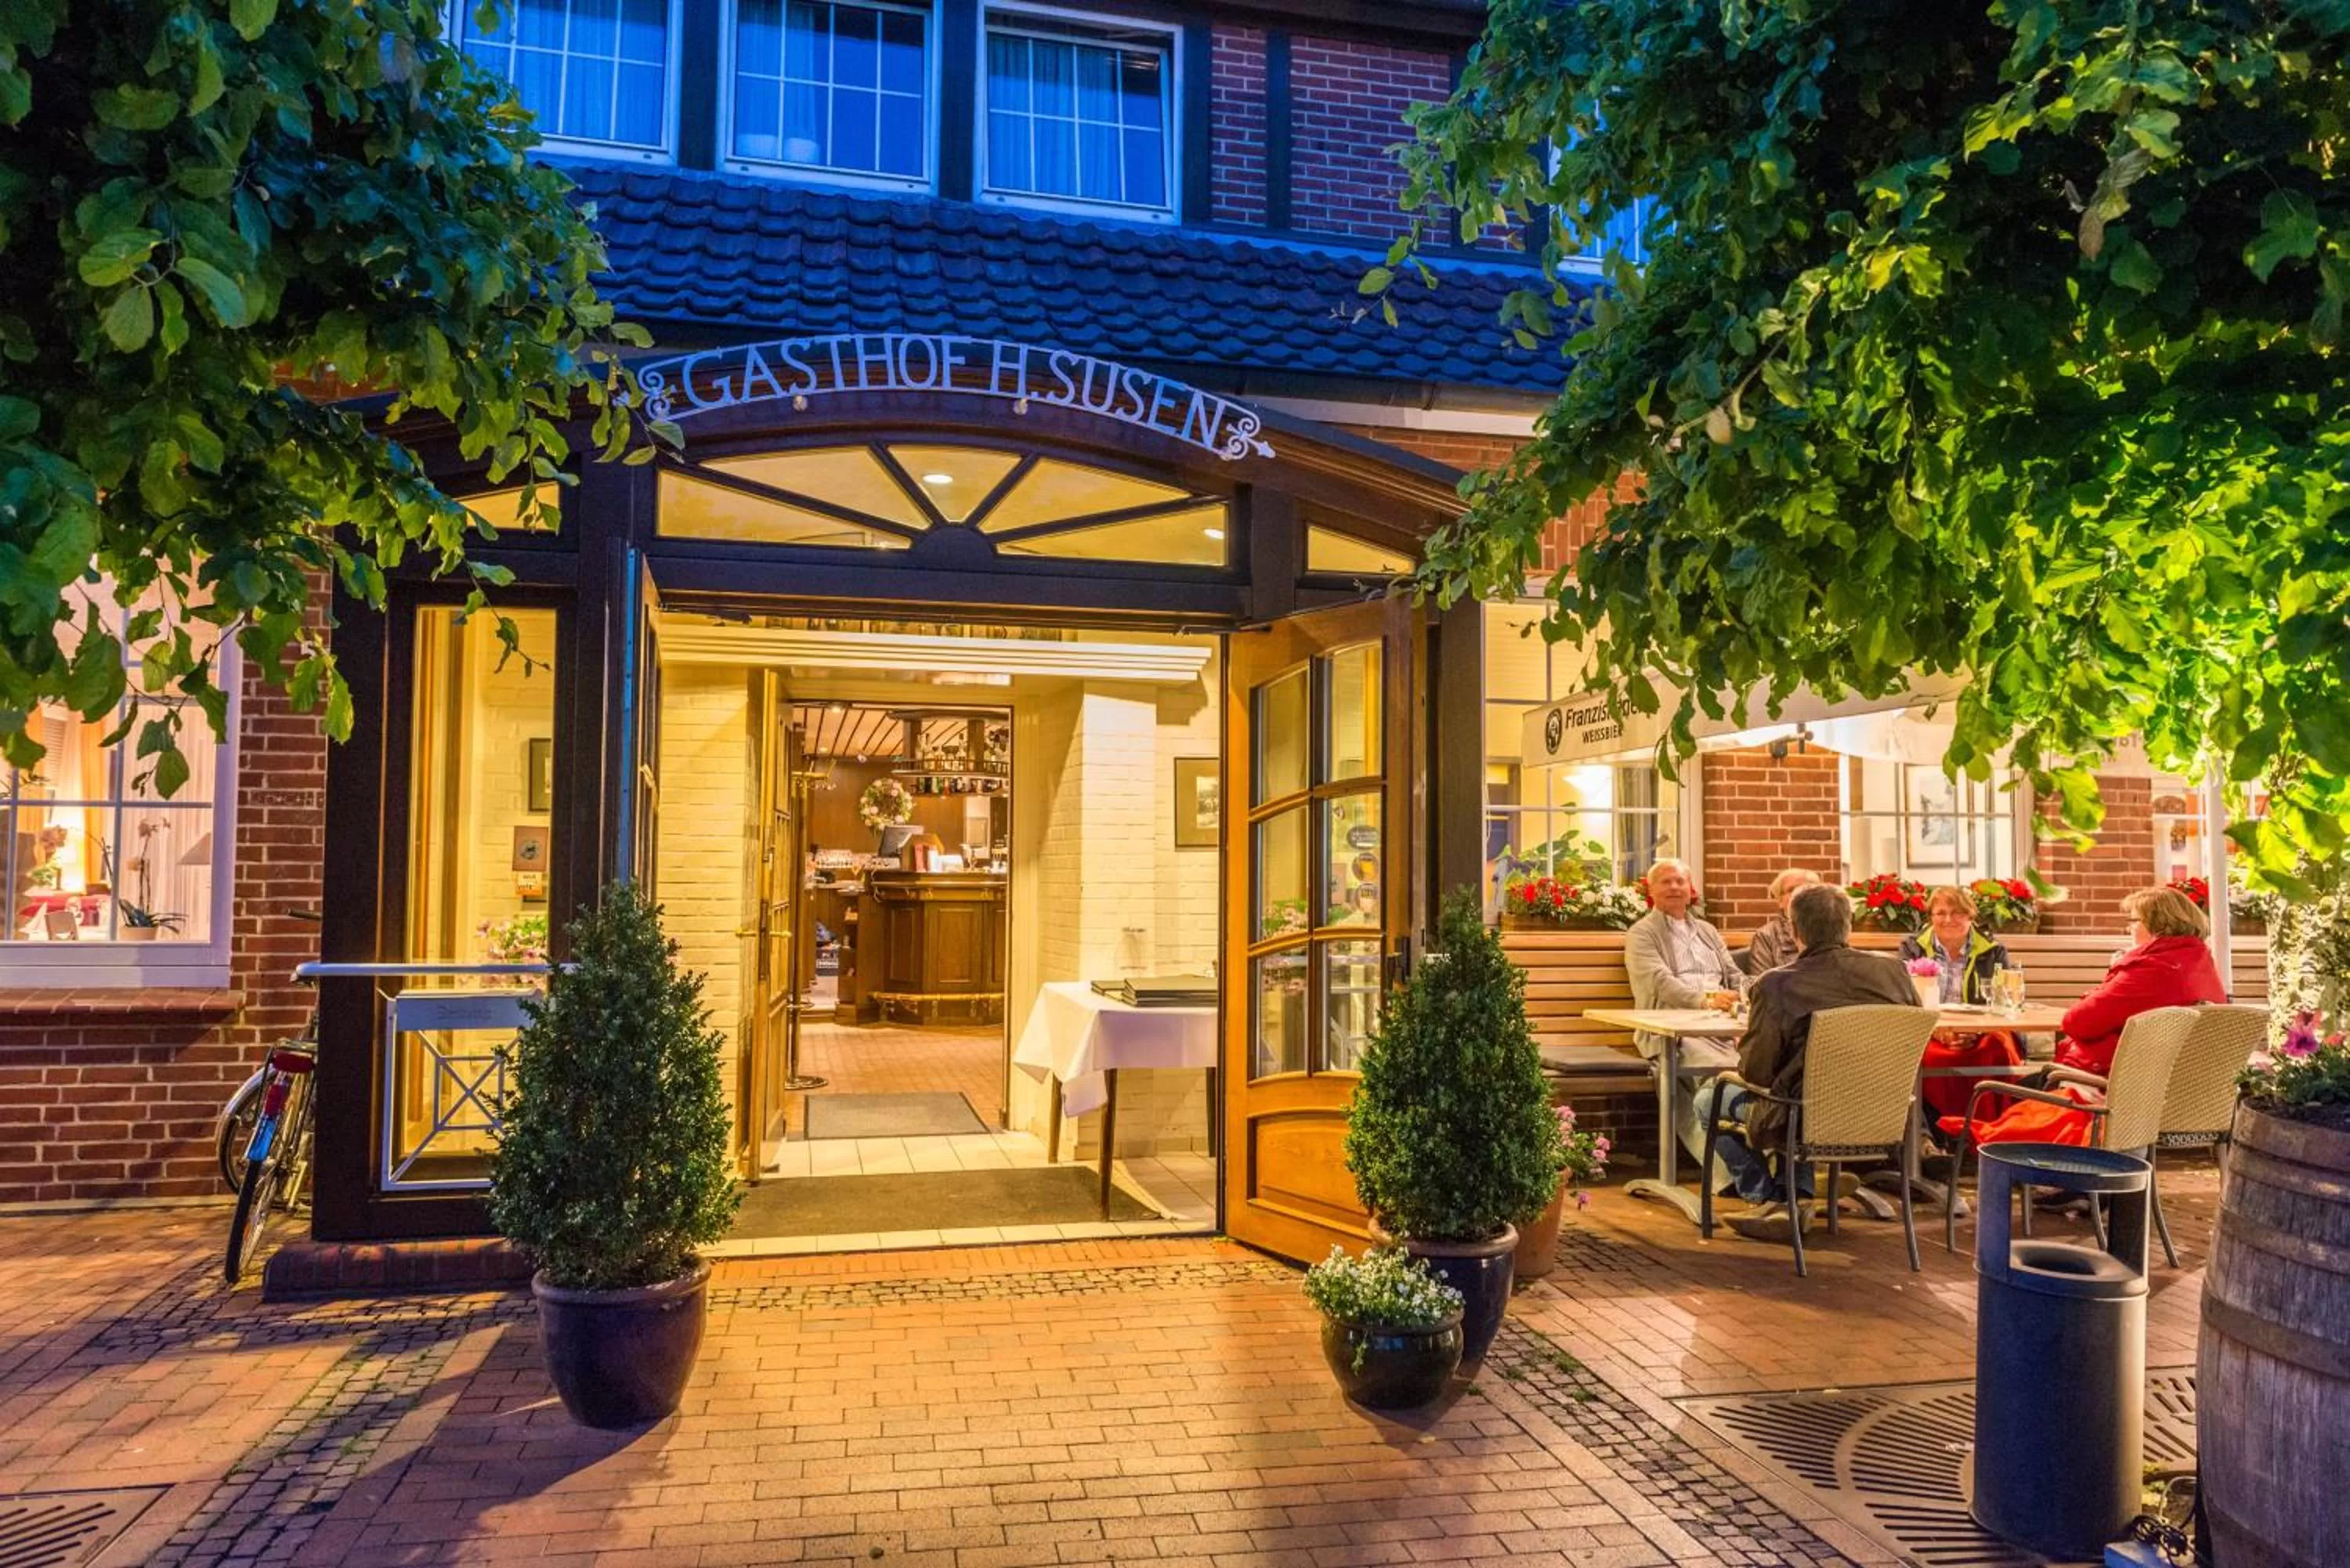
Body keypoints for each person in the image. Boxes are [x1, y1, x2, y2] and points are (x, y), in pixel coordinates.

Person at [1699, 883, 1920, 1240]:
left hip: (1803, 1116)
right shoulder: (1895, 973)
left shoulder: (1778, 984)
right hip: (1882, 1112)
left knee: (1709, 1099)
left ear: (1794, 930)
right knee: (1795, 1089)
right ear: (1848, 926)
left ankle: (1770, 1197)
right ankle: (1798, 1194)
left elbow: (1756, 1072)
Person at [1947, 886, 2226, 1147]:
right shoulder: (2200, 964)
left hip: (2115, 1087)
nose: (2129, 929)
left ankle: (1990, 1155)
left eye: (2134, 921)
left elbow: (2077, 1022)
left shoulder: (2149, 969)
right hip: (2177, 1093)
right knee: (2024, 1080)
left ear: (2158, 925)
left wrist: (2113, 975)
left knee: (2011, 1090)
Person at [1623, 857, 1745, 1187]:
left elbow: (1734, 974)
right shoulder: (1642, 933)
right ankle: (1732, 1174)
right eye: (1666, 881)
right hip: (1673, 1031)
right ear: (1651, 891)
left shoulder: (1707, 931)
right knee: (1716, 1079)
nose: (1675, 887)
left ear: (1691, 890)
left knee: (1757, 1073)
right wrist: (1706, 1000)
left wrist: (1744, 996)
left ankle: (1766, 1165)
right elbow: (1660, 982)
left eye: (1681, 881)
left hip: (1723, 1025)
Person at [1898, 885, 2020, 1129]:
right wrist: (1938, 1032)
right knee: (1921, 1055)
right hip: (1930, 1031)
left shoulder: (1994, 950)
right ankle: (1936, 1131)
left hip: (1982, 1031)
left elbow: (2005, 1000)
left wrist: (1975, 1030)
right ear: (1930, 917)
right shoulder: (1913, 948)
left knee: (1996, 1049)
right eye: (1941, 913)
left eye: (1957, 913)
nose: (1948, 920)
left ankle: (1989, 1130)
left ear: (1970, 915)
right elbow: (1903, 998)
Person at [1741, 869, 1821, 976]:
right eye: (1791, 890)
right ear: (1780, 901)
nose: (1797, 895)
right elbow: (1761, 981)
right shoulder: (1766, 936)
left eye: (1803, 889)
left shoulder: (1830, 928)